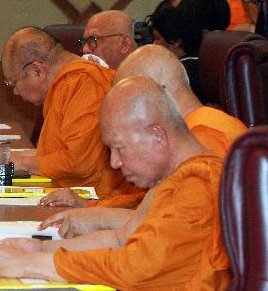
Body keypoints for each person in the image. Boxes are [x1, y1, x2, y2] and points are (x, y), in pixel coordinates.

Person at [0, 77, 230, 291]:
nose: (113, 162)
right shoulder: (171, 176)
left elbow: (137, 266)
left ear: (158, 135)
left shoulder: (202, 184)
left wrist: (29, 265)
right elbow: (122, 239)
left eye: (120, 148)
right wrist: (41, 247)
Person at [39, 44, 246, 228]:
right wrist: (91, 206)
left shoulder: (203, 137)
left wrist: (99, 216)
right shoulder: (187, 129)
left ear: (154, 92)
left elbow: (172, 228)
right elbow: (153, 206)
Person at [1, 27, 137, 197]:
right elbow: (55, 152)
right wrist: (4, 156)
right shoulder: (67, 85)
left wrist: (20, 163)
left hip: (100, 201)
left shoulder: (85, 82)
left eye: (13, 83)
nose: (15, 92)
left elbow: (78, 162)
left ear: (37, 71)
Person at [148, 6, 203, 99]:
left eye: (157, 38)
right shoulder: (201, 61)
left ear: (175, 41)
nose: (154, 44)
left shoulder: (179, 72)